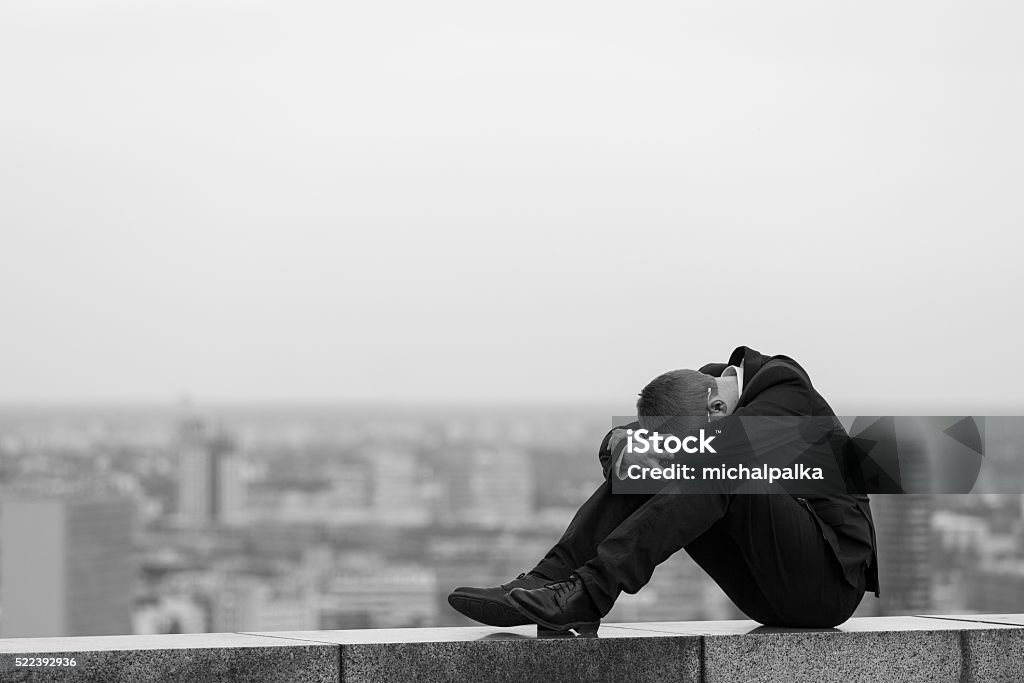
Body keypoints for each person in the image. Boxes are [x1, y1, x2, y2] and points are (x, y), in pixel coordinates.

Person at [447, 346, 878, 633]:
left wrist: (659, 452)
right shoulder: (701, 393)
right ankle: (550, 580)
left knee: (720, 466)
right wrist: (622, 447)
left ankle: (588, 594)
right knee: (654, 467)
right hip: (763, 592)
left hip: (828, 586)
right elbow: (631, 444)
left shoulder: (785, 389)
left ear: (717, 409)